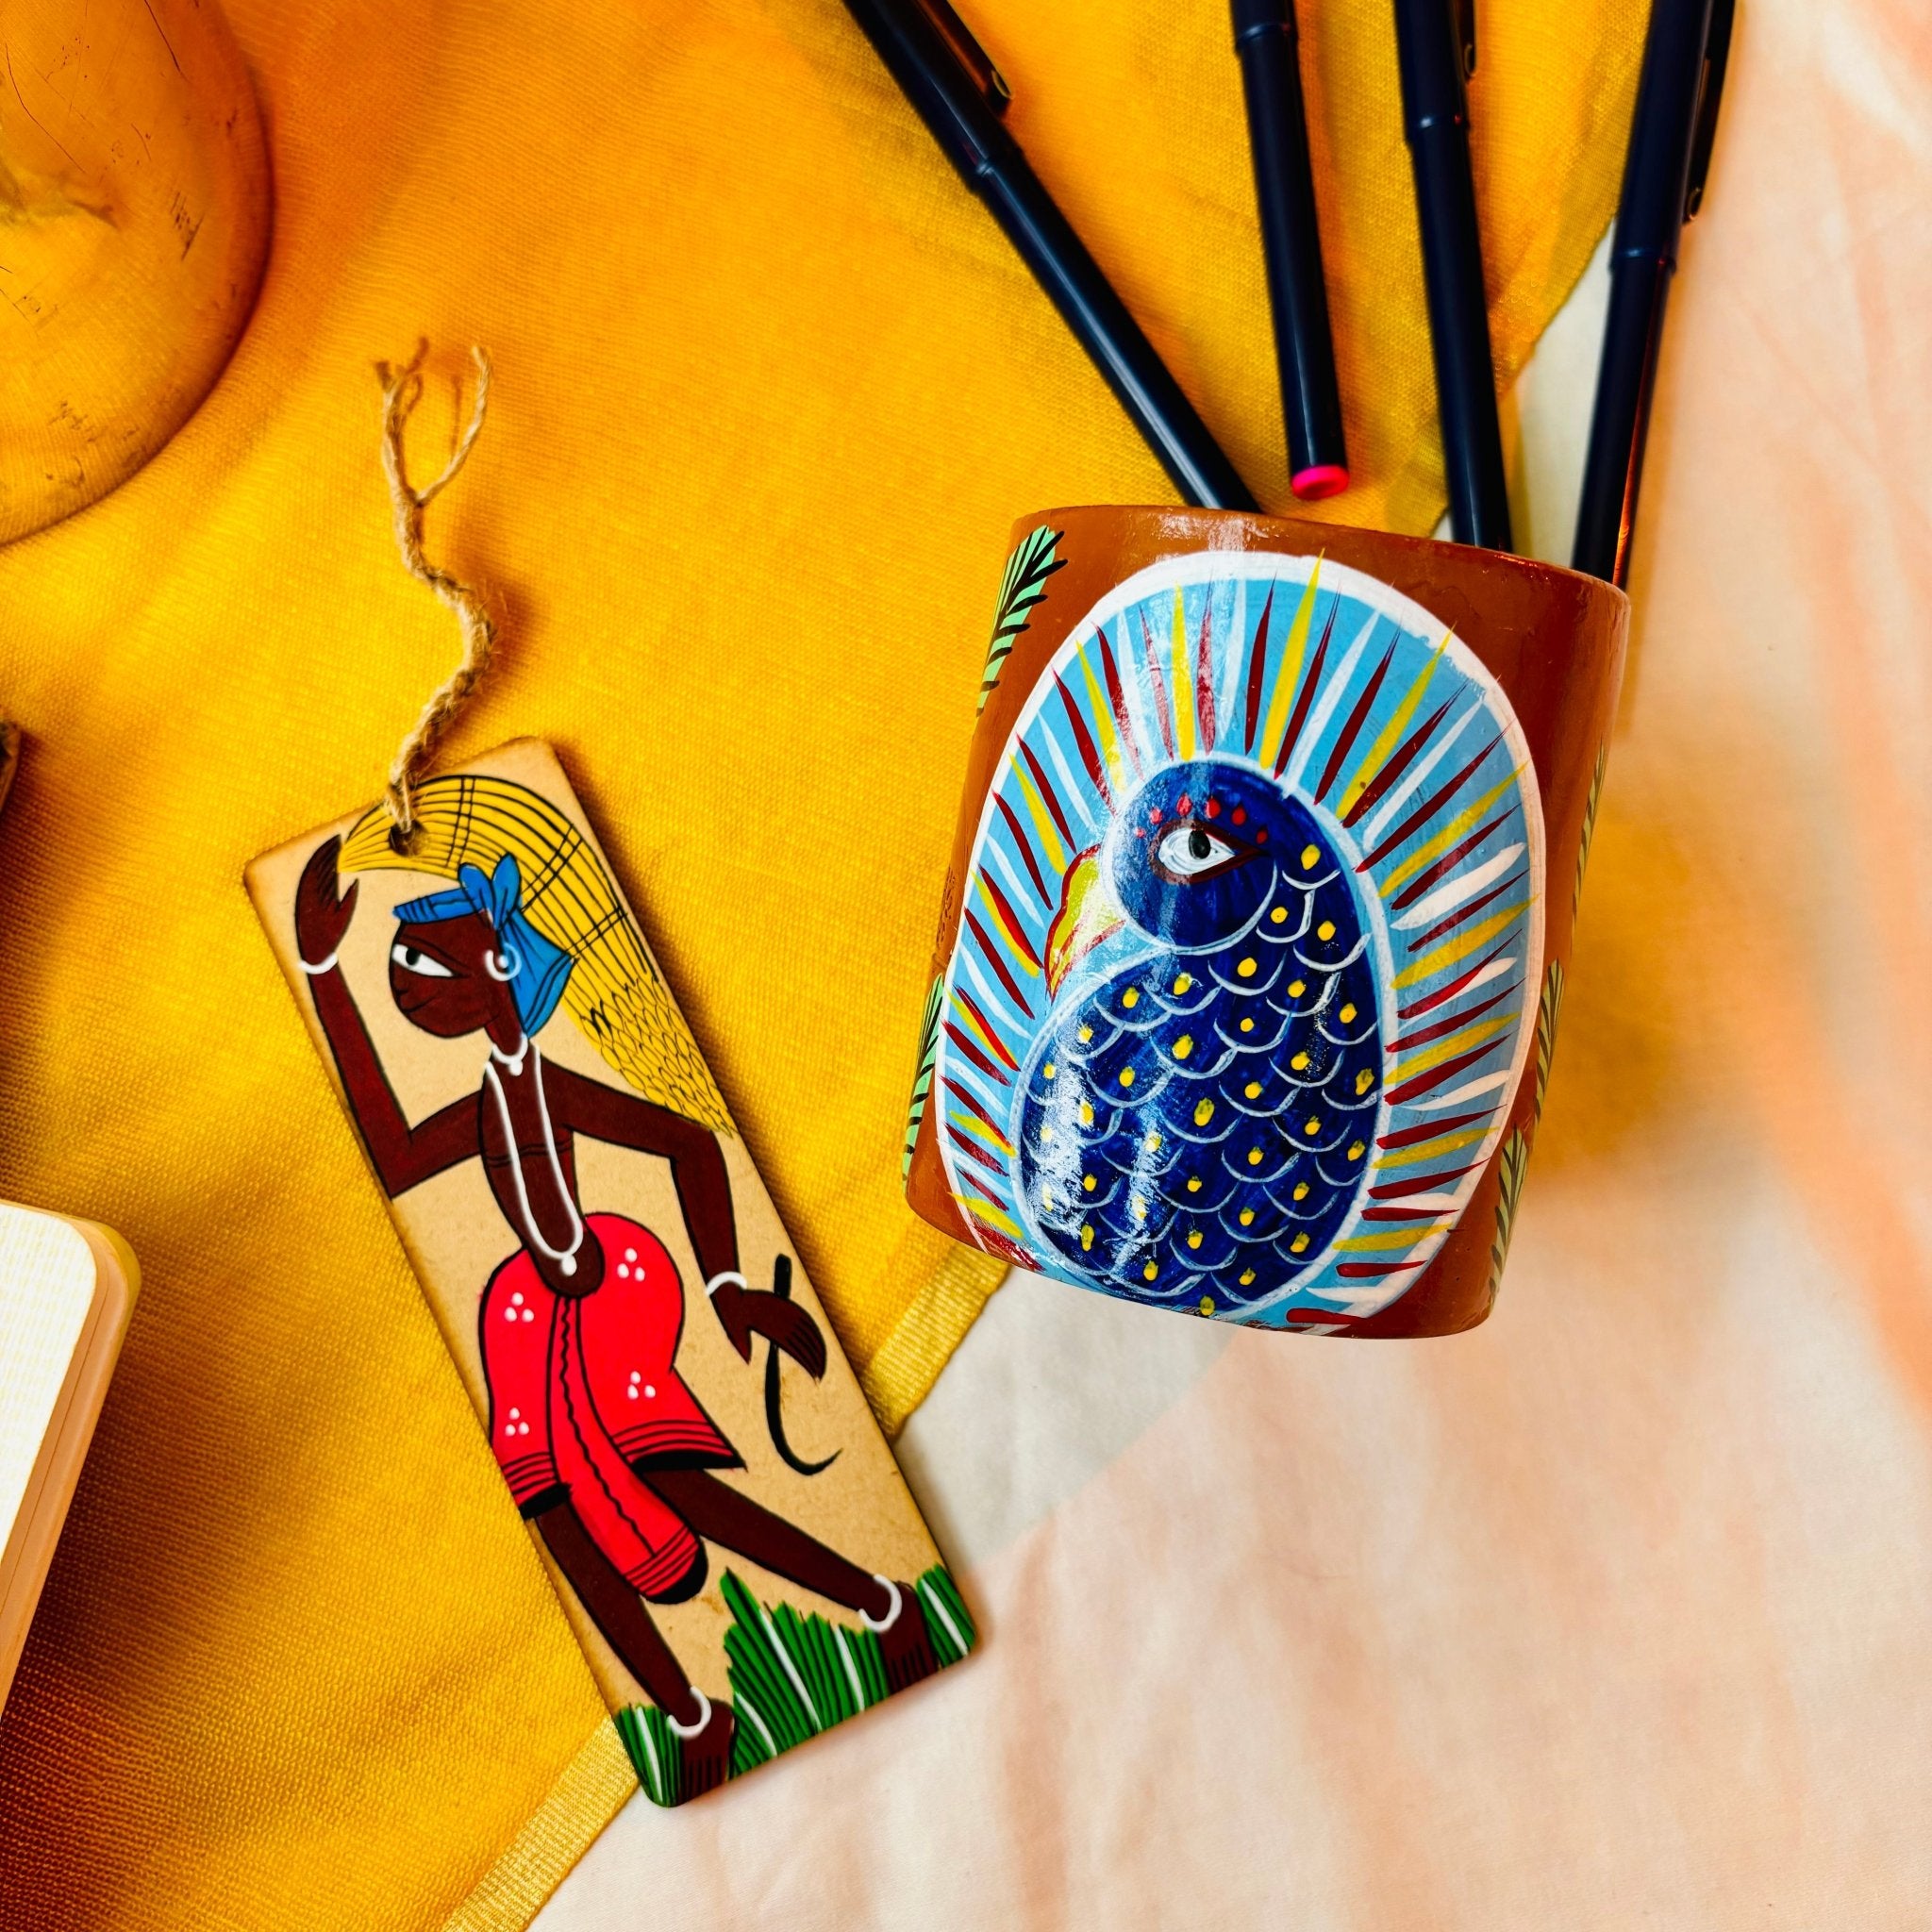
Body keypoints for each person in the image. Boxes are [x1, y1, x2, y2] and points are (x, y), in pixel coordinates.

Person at [293, 836, 935, 1793]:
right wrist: (322, 973)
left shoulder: (550, 1084)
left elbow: (687, 1144)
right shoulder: (478, 1105)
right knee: (551, 1511)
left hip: (613, 1280)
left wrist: (729, 1287)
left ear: (500, 970)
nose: (410, 982)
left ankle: (882, 1602)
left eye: (424, 962)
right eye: (403, 968)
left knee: (675, 1480)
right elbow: (391, 1152)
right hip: (522, 1313)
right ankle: (686, 1708)